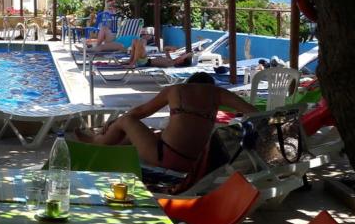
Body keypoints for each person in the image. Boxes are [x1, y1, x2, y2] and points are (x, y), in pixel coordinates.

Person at [76, 72, 257, 172]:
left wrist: (116, 121)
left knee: (127, 120)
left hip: (165, 157)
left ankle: (96, 142)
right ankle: (111, 149)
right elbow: (254, 112)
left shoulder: (175, 90)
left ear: (189, 83)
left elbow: (140, 112)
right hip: (194, 162)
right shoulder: (218, 94)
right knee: (150, 133)